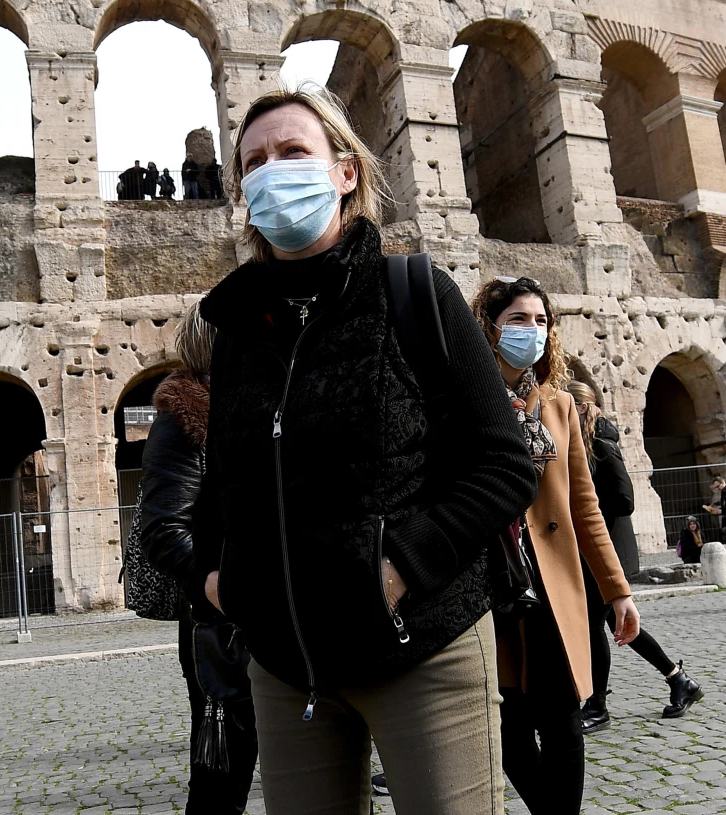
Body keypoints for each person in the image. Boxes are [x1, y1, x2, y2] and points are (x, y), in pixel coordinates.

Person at [192, 85, 539, 815]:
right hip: (286, 665)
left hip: (423, 645)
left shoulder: (417, 294)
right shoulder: (235, 331)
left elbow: (505, 463)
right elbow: (223, 488)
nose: (272, 171)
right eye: (253, 163)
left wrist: (402, 564)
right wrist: (225, 581)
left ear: (345, 171)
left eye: (293, 151)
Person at [471, 276, 640, 814]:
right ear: (490, 327)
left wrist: (618, 591)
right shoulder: (465, 399)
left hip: (552, 584)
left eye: (541, 321)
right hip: (490, 581)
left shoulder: (560, 405)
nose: (533, 330)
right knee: (510, 724)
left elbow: (585, 508)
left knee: (564, 723)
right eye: (519, 319)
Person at [138, 302, 258, 814]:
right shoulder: (183, 420)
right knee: (221, 779)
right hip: (223, 622)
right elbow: (163, 530)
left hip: (272, 612)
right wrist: (220, 587)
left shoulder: (254, 408)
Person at [567, 381, 704, 728]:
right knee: (619, 624)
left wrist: (587, 509)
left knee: (596, 626)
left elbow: (625, 500)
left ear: (580, 407)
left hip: (610, 550)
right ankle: (679, 680)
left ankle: (597, 706)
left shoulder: (601, 445)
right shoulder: (584, 443)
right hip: (597, 551)